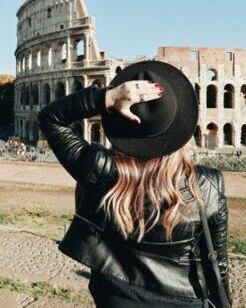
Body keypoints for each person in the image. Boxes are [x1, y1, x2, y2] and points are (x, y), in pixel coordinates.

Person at [38, 60, 232, 308]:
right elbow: (218, 262)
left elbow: (50, 117)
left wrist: (106, 98)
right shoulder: (207, 184)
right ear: (179, 125)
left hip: (115, 297)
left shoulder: (99, 170)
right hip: (184, 300)